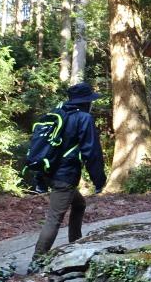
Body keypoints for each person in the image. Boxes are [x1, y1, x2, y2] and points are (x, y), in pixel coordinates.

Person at [32, 82, 107, 259]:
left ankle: (76, 242)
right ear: (86, 102)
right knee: (54, 219)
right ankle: (36, 261)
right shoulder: (83, 118)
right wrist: (99, 180)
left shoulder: (57, 113)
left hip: (49, 172)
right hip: (65, 176)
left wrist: (39, 179)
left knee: (79, 204)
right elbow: (91, 151)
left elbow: (43, 146)